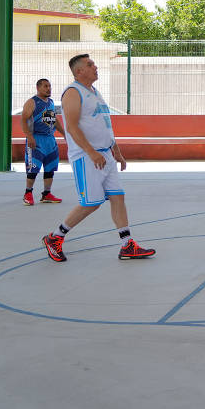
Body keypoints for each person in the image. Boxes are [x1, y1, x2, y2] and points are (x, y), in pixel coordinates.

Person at [41, 54, 155, 262]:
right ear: (79, 72)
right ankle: (55, 237)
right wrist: (92, 153)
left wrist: (116, 151)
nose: (95, 67)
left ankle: (127, 245)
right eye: (90, 64)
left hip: (105, 155)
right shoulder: (73, 93)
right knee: (91, 203)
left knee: (117, 196)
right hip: (86, 157)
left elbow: (104, 126)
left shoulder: (94, 92)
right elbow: (72, 128)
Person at [20, 78, 65, 205]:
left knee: (50, 166)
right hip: (36, 138)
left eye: (50, 86)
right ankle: (28, 193)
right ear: (38, 88)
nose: (48, 88)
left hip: (50, 139)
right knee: (33, 168)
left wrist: (65, 134)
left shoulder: (50, 102)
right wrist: (29, 137)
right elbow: (23, 120)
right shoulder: (32, 102)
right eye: (45, 86)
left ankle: (46, 194)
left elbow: (53, 120)